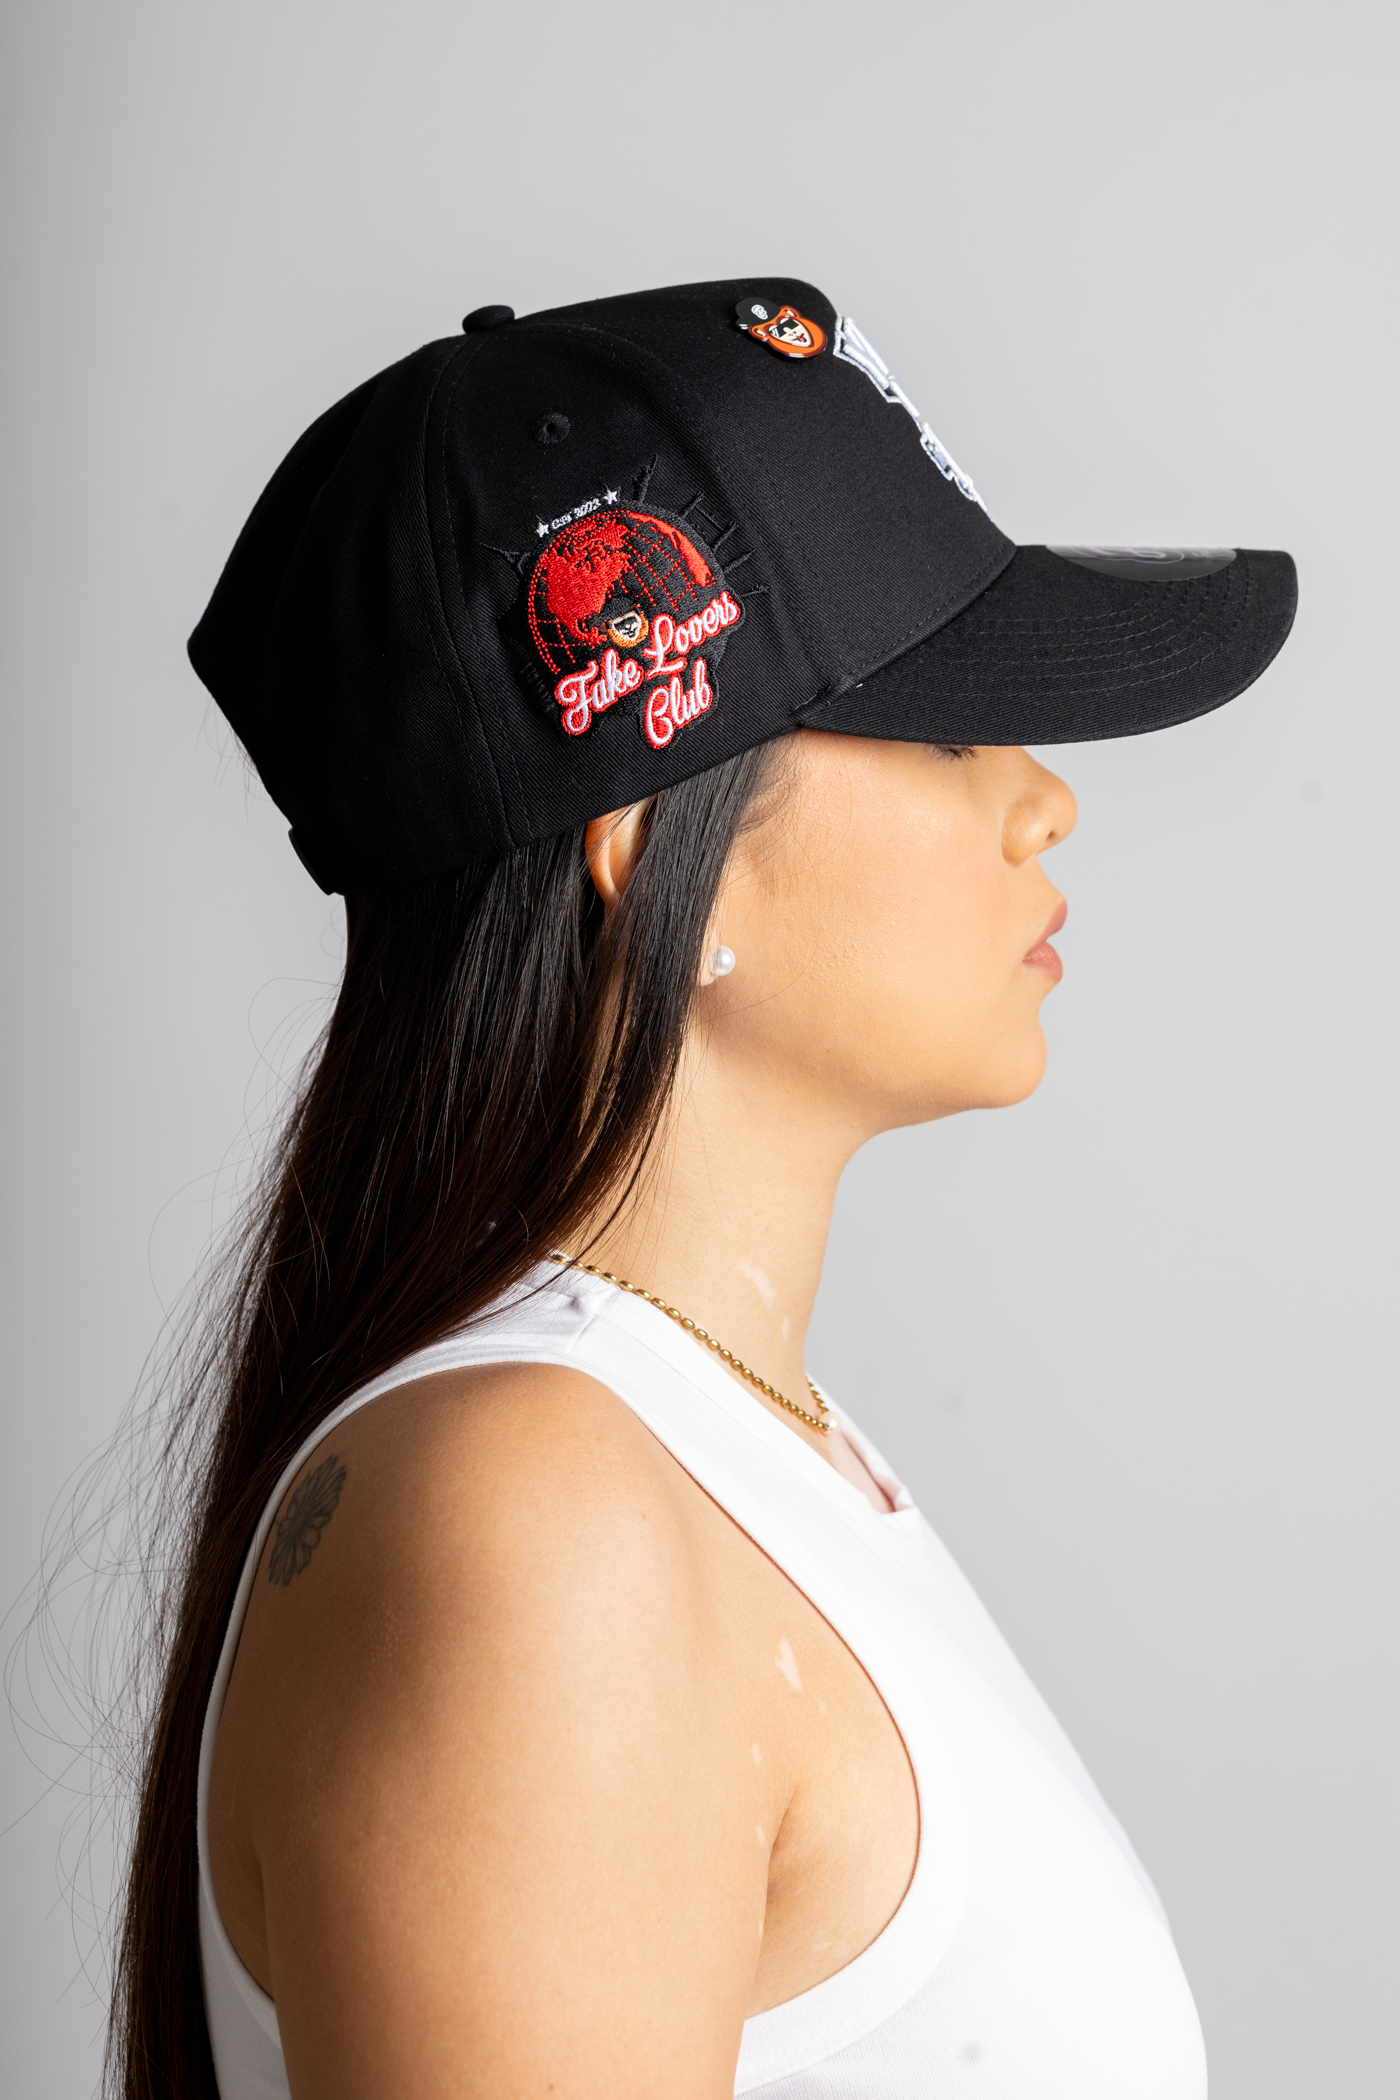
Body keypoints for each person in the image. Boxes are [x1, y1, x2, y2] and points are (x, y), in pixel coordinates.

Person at [115, 278, 1296, 2099]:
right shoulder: (540, 1524)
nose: (1045, 802)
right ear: (659, 848)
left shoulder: (720, 1456)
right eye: (948, 728)